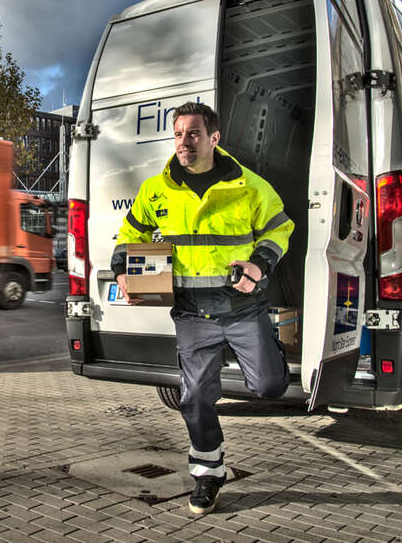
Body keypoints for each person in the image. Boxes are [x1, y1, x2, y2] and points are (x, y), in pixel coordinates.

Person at [111, 101, 294, 515]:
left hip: (243, 307)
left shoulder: (250, 186)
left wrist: (260, 263)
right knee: (193, 399)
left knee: (269, 387)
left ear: (213, 138)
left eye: (192, 133)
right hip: (193, 313)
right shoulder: (156, 189)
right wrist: (122, 267)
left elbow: (281, 227)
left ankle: (271, 352)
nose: (183, 142)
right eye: (177, 134)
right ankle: (209, 473)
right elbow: (129, 232)